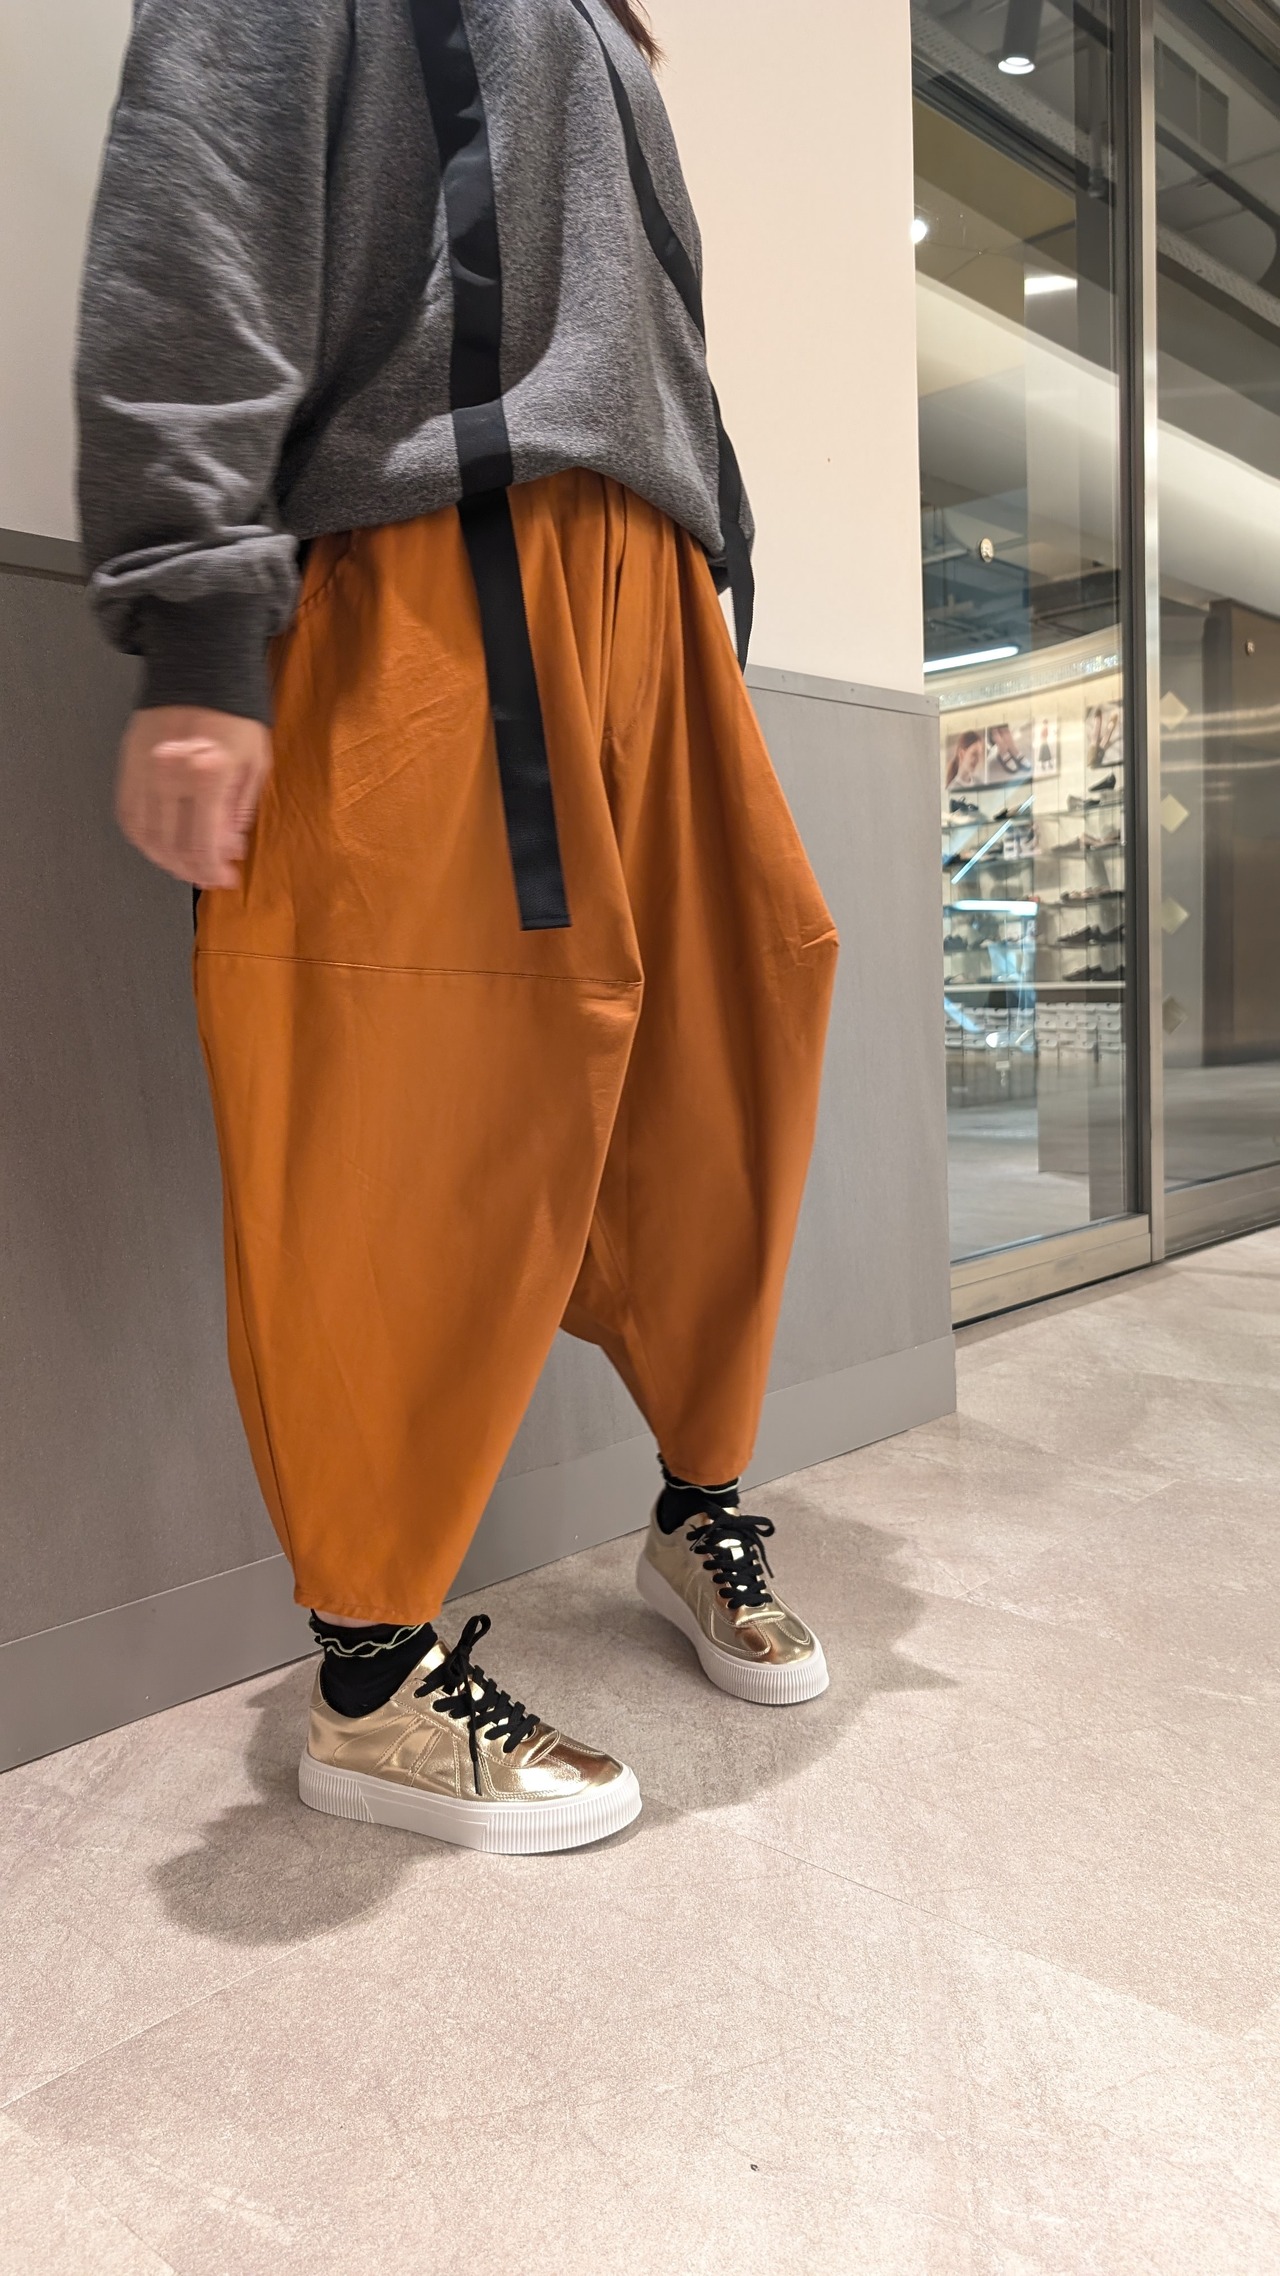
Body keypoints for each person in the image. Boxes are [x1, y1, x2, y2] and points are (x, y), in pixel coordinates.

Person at [77, 0, 838, 1855]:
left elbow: (649, 330)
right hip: (441, 561)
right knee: (414, 1103)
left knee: (725, 1050)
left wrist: (712, 578)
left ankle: (698, 1506)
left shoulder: (606, 20)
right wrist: (200, 627)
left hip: (650, 589)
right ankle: (371, 1684)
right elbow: (202, 206)